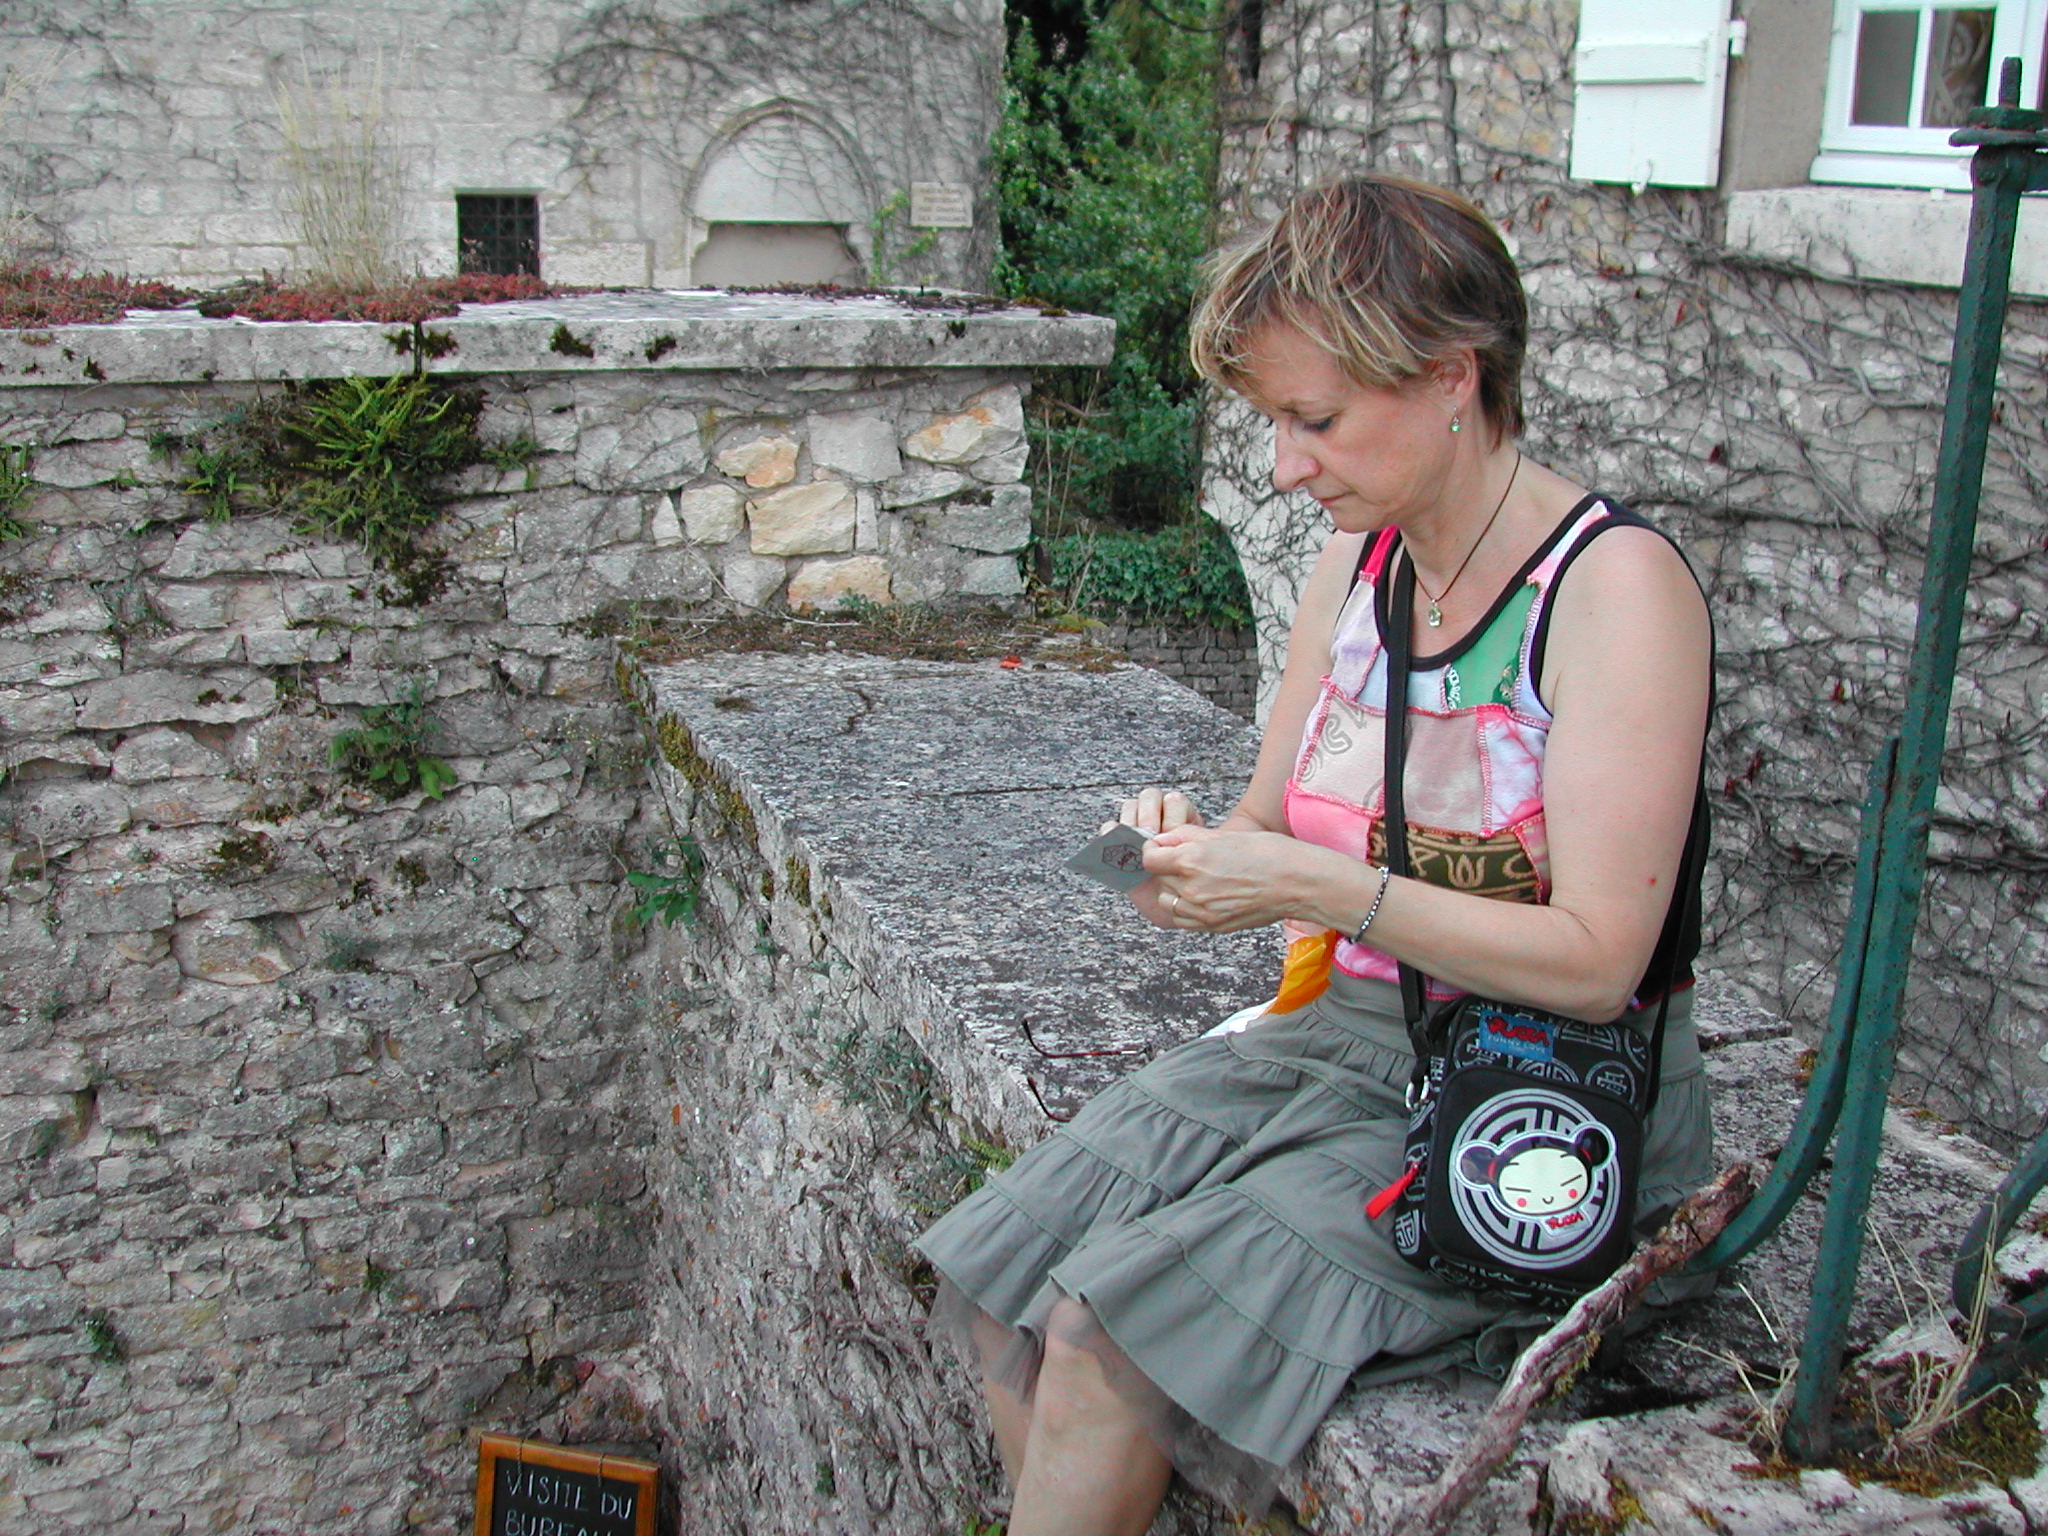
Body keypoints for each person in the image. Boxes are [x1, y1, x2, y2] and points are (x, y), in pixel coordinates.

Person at [914, 174, 1715, 1535]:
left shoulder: (1610, 590)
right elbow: (1271, 828)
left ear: (1453, 377)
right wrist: (1179, 853)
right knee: (1008, 1290)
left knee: (1106, 1342)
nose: (1286, 467)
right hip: (1338, 1038)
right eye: (1277, 422)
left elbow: (1597, 963)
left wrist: (1316, 888)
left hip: (1541, 1086)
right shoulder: (1360, 568)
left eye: (1317, 420)